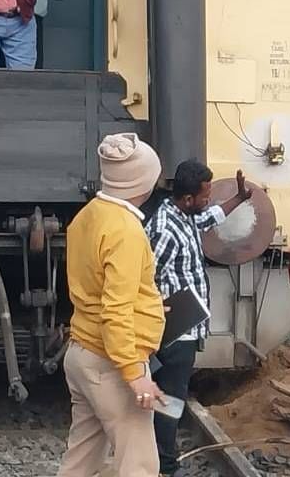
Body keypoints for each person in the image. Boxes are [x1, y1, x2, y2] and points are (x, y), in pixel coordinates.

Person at [57, 133, 165, 477]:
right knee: (140, 464)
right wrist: (135, 376)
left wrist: (148, 307)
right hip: (112, 363)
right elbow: (115, 311)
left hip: (82, 353)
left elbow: (99, 289)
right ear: (143, 182)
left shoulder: (88, 215)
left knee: (82, 459)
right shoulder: (126, 231)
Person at [146, 161, 253, 477]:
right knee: (170, 397)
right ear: (188, 198)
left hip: (186, 324)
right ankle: (165, 465)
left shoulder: (183, 215)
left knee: (172, 395)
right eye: (206, 195)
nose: (210, 200)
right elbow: (142, 275)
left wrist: (240, 198)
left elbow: (210, 217)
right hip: (174, 329)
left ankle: (161, 458)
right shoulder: (164, 229)